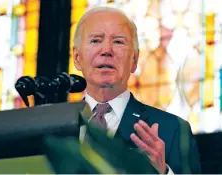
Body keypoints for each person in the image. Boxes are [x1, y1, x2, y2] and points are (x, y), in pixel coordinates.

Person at [73, 6, 201, 174]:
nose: (106, 51)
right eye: (96, 40)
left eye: (118, 41)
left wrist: (162, 171)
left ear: (134, 60)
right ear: (77, 58)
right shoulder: (55, 127)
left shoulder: (172, 130)